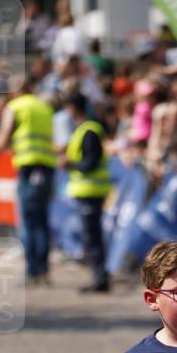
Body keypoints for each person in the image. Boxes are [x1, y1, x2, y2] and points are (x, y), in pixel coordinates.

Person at [0, 76, 56, 283]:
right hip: (46, 168)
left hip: (28, 169)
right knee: (41, 221)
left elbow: (2, 138)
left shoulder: (15, 107)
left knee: (28, 222)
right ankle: (43, 271)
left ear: (17, 89)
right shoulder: (44, 107)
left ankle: (32, 272)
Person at [62, 91, 112, 293]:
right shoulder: (85, 129)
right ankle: (98, 278)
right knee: (91, 237)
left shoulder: (89, 130)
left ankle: (100, 280)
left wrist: (71, 165)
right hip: (88, 191)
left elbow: (91, 162)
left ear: (73, 107)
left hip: (91, 191)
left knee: (93, 237)